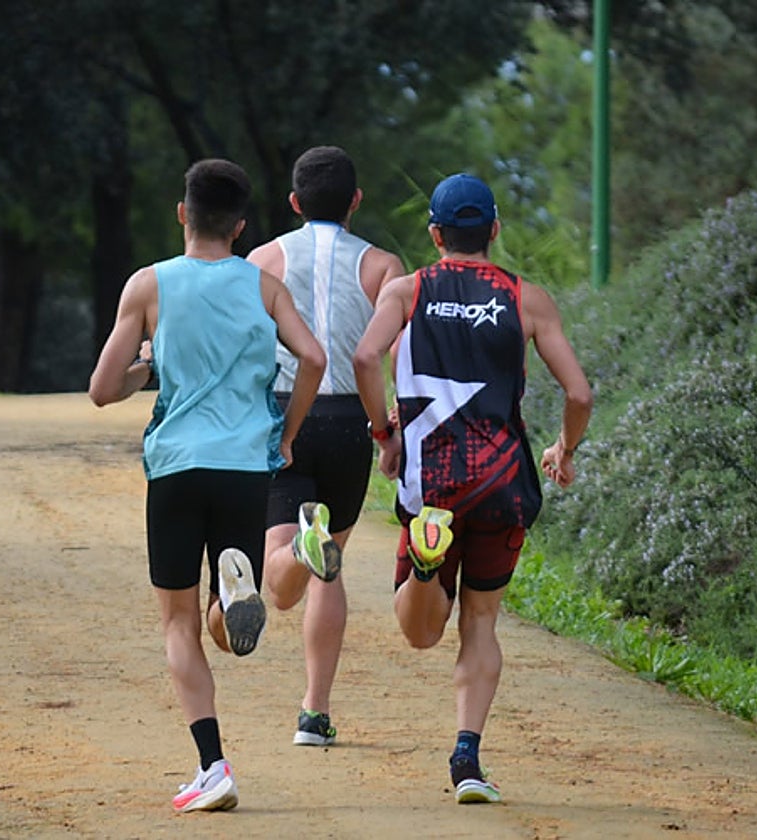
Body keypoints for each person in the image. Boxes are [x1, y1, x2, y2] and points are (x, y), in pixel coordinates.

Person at [88, 158, 326, 813]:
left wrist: (146, 367)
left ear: (182, 214)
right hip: (246, 466)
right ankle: (234, 599)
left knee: (177, 624)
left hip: (175, 467)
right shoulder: (263, 286)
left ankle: (211, 765)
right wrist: (286, 433)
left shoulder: (149, 285)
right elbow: (313, 357)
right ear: (242, 226)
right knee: (224, 613)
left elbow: (102, 390)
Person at [352, 173, 592, 804]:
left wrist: (384, 433)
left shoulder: (407, 291)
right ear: (494, 230)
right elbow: (579, 393)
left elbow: (364, 358)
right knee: (481, 621)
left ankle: (428, 568)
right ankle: (467, 757)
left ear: (435, 235)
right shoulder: (526, 298)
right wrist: (564, 450)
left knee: (420, 630)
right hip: (503, 480)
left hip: (430, 482)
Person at [245, 146, 405, 746]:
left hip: (286, 412)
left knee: (279, 581)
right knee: (328, 575)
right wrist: (390, 430)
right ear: (356, 201)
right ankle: (314, 712)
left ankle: (299, 549)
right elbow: (395, 356)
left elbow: (248, 347)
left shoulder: (264, 259)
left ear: (293, 203)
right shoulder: (383, 267)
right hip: (348, 421)